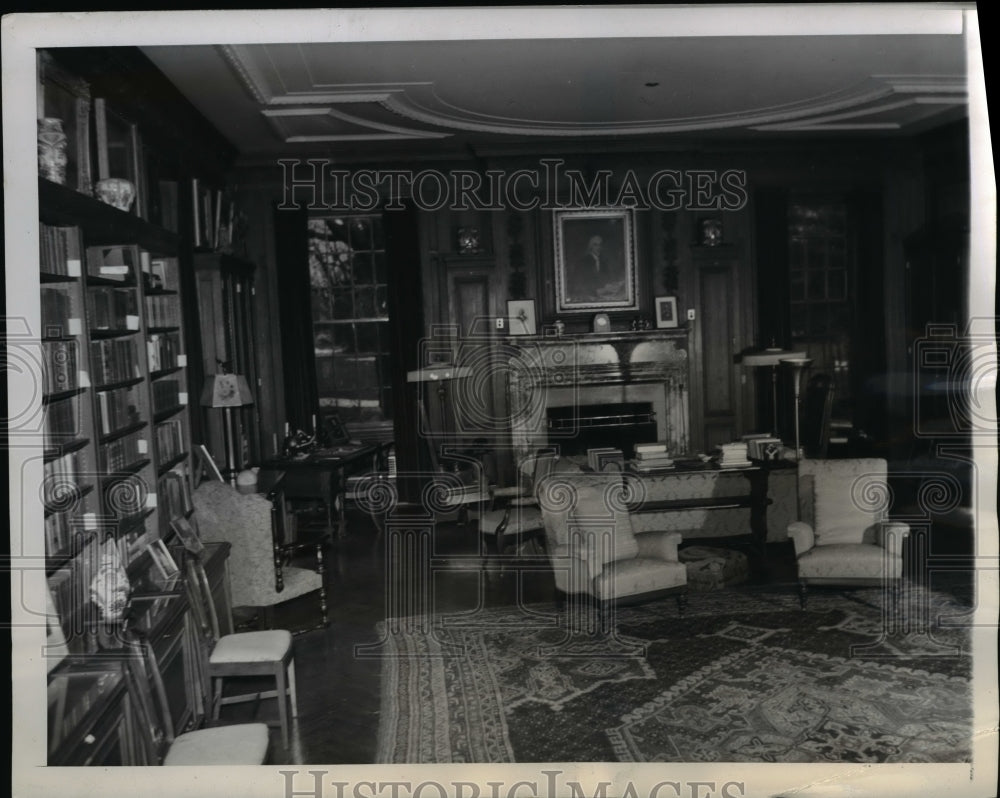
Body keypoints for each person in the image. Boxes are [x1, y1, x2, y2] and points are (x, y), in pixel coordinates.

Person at [566, 233, 626, 302]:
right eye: (595, 245)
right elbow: (578, 284)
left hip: (603, 296)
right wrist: (597, 291)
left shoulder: (604, 262)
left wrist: (611, 285)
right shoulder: (582, 262)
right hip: (588, 296)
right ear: (590, 246)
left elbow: (607, 279)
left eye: (600, 245)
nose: (598, 247)